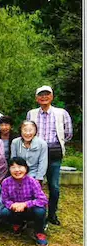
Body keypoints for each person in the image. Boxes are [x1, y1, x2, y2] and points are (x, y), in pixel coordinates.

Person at [26, 85, 72, 226]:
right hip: (36, 153)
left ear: (52, 96)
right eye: (41, 94)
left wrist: (56, 144)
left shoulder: (61, 113)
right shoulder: (31, 113)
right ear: (36, 98)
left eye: (47, 94)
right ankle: (33, 214)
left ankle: (52, 214)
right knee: (34, 183)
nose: (44, 97)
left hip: (54, 153)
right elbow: (27, 131)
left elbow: (68, 133)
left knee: (54, 186)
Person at [0, 157, 49, 246]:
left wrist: (25, 204)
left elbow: (42, 199)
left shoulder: (32, 181)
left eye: (20, 166)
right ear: (9, 169)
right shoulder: (6, 182)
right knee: (4, 212)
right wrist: (13, 205)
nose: (17, 170)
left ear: (26, 168)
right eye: (13, 167)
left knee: (40, 211)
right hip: (15, 210)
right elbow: (5, 200)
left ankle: (39, 232)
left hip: (30, 209)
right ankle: (18, 224)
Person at [11, 121, 48, 185]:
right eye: (25, 130)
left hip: (35, 174)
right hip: (18, 173)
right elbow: (13, 161)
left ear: (35, 131)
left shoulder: (42, 144)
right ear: (21, 131)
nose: (27, 133)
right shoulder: (15, 142)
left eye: (30, 130)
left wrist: (38, 179)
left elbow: (43, 163)